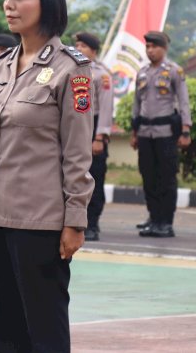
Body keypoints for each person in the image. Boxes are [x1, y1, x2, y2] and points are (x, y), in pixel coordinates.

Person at [0, 0, 94, 352]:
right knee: (4, 333)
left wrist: (75, 220)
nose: (9, 4)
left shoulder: (70, 70)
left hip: (40, 225)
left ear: (48, 1)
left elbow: (77, 152)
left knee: (44, 332)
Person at [130, 31, 191, 238]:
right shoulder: (142, 72)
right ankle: (154, 218)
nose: (150, 50)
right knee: (148, 177)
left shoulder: (174, 71)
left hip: (166, 134)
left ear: (163, 48)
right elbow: (136, 104)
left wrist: (185, 130)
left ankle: (166, 222)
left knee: (166, 178)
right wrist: (134, 131)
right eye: (147, 47)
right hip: (145, 133)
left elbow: (183, 101)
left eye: (154, 47)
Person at [74, 31, 113, 242]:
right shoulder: (72, 70)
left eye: (83, 46)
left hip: (94, 127)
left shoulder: (102, 75)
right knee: (74, 178)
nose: (78, 49)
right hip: (77, 127)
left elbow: (106, 109)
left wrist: (100, 137)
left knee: (94, 179)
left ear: (94, 51)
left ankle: (92, 224)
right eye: (77, 45)